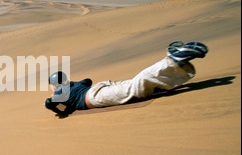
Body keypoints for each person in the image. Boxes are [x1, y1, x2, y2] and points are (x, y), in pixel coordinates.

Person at [44, 41, 208, 117]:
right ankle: (179, 66)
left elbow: (49, 105)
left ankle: (172, 60)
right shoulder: (74, 84)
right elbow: (88, 80)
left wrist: (61, 111)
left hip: (94, 97)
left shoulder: (60, 94)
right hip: (100, 87)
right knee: (139, 86)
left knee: (136, 87)